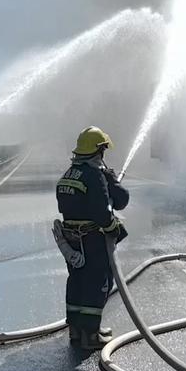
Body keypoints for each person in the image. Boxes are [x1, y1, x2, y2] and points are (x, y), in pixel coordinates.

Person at [56, 126, 129, 350]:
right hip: (91, 240)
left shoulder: (69, 173)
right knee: (97, 283)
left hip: (72, 241)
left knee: (77, 281)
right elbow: (110, 207)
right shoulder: (95, 175)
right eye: (103, 151)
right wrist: (112, 227)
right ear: (98, 151)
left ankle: (77, 330)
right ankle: (91, 336)